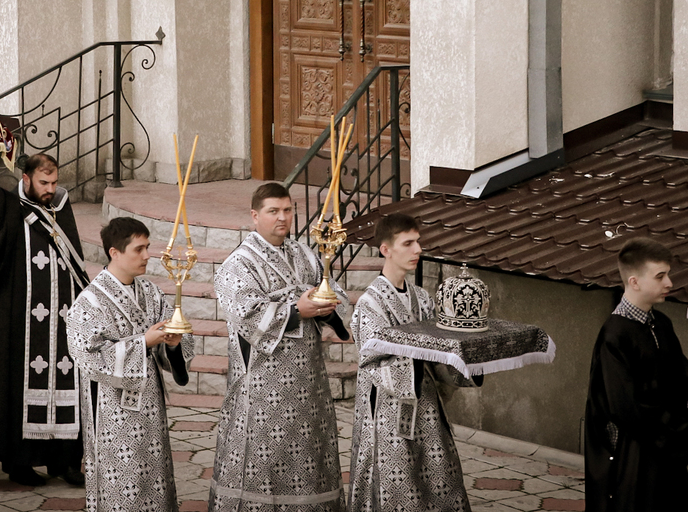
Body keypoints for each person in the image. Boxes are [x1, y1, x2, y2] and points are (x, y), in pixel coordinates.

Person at [209, 182, 351, 512]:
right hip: (263, 385)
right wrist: (297, 309)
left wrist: (326, 307)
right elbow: (245, 314)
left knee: (310, 454)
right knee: (264, 456)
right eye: (273, 211)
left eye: (287, 210)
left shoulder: (305, 254)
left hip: (309, 384)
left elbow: (336, 293)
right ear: (255, 216)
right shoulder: (238, 263)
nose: (282, 218)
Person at [0, 153, 88, 487]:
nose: (50, 189)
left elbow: (74, 259)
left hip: (61, 318)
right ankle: (19, 463)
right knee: (18, 386)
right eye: (43, 182)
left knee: (68, 382)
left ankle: (65, 462)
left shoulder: (60, 206)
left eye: (54, 182)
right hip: (21, 318)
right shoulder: (11, 207)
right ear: (26, 179)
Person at [348, 213, 479, 512]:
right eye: (408, 243)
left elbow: (440, 353)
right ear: (386, 250)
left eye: (418, 242)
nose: (418, 249)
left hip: (429, 407)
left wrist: (468, 361)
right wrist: (420, 356)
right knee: (399, 489)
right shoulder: (370, 305)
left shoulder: (422, 298)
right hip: (389, 414)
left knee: (441, 482)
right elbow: (373, 364)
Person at [67, 216, 193, 511]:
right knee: (122, 485)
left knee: (154, 476)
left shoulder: (151, 293)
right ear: (114, 252)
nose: (147, 255)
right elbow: (88, 357)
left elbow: (173, 342)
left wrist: (172, 343)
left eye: (147, 247)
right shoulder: (89, 302)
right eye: (139, 249)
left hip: (151, 406)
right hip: (112, 411)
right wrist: (143, 342)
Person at [584, 238, 688, 512]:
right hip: (633, 458)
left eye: (668, 274)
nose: (669, 283)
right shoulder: (614, 336)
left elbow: (682, 378)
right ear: (634, 282)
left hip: (661, 449)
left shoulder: (661, 323)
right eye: (660, 276)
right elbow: (627, 409)